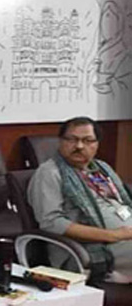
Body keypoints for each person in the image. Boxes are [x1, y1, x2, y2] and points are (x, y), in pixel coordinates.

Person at [29, 116, 132, 282]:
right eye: (72, 139)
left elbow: (121, 203)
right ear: (60, 141)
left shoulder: (101, 168)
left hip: (123, 238)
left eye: (87, 140)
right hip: (91, 248)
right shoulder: (49, 173)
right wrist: (113, 235)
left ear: (97, 144)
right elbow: (52, 223)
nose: (79, 146)